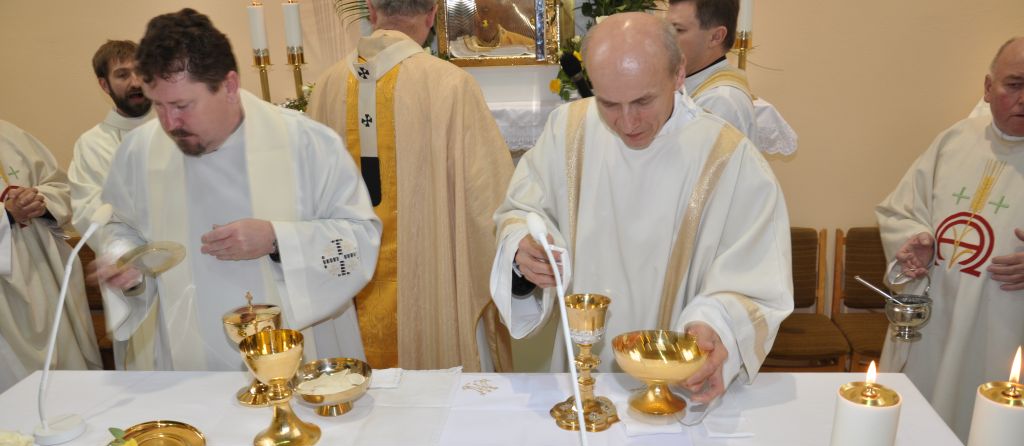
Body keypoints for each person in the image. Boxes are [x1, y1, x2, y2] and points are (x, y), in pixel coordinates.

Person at [490, 13, 792, 403]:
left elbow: (755, 279)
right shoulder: (568, 131)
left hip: (680, 383)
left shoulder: (730, 158)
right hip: (584, 380)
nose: (628, 122)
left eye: (643, 101)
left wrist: (715, 326)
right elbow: (521, 211)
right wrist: (523, 252)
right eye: (609, 103)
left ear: (678, 74)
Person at [95, 9, 381, 371]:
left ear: (229, 86)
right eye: (159, 105)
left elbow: (359, 238)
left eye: (182, 105)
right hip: (190, 357)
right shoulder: (139, 152)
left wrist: (277, 240)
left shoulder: (307, 143)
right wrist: (124, 262)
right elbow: (120, 226)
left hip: (298, 351)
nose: (169, 123)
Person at [308, 0, 513, 371]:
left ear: (371, 11)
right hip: (430, 291)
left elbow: (306, 199)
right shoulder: (450, 85)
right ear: (432, 14)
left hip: (346, 286)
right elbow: (490, 201)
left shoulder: (326, 86)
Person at [877, 36, 1024, 443]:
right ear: (988, 87)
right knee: (916, 439)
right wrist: (916, 240)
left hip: (1004, 331)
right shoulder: (954, 141)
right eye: (1015, 84)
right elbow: (899, 210)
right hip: (935, 322)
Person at [0, 120, 101, 392]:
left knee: (70, 379)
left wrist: (40, 201)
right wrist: (7, 214)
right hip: (5, 303)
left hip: (46, 274)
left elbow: (61, 186)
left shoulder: (10, 135)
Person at [666, 0, 796, 156]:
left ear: (716, 37)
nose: (666, 39)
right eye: (666, 29)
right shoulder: (696, 82)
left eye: (678, 30)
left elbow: (690, 167)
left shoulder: (720, 101)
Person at [69, 40, 153, 238]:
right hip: (133, 255)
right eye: (123, 75)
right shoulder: (92, 144)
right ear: (104, 84)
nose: (135, 82)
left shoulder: (179, 129)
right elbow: (90, 214)